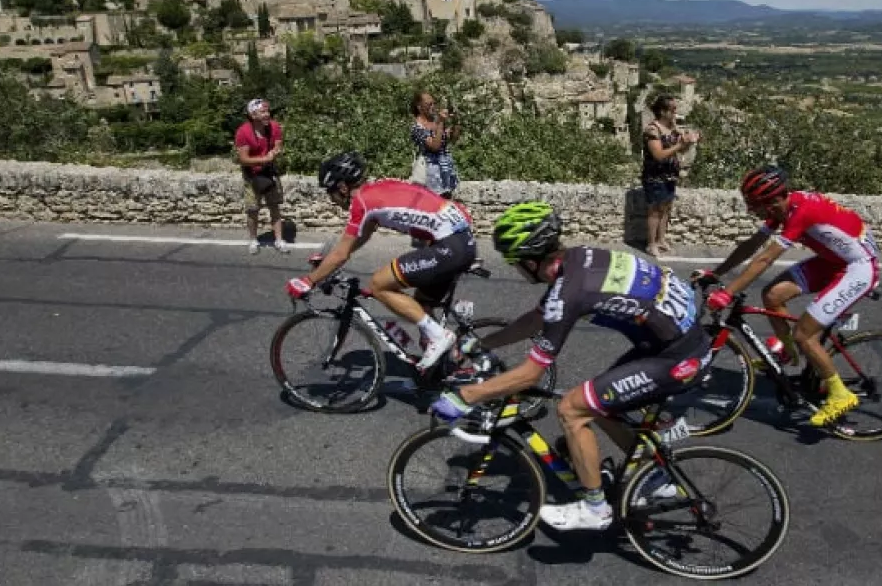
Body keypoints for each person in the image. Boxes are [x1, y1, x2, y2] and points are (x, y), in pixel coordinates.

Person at [429, 202, 711, 532]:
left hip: (675, 356)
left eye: (517, 264)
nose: (517, 271)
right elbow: (536, 319)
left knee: (572, 409)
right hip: (673, 342)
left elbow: (531, 373)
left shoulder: (570, 291)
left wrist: (467, 395)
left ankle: (595, 510)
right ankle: (654, 477)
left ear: (532, 261)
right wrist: (481, 344)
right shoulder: (578, 259)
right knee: (601, 402)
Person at [693, 166, 879, 428]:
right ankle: (788, 353)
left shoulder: (801, 212)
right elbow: (752, 245)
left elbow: (766, 258)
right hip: (832, 261)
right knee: (772, 294)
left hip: (858, 268)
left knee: (806, 334)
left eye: (754, 205)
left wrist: (727, 293)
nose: (751, 210)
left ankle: (840, 393)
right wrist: (716, 273)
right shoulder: (783, 208)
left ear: (773, 201)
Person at [285, 151, 475, 371]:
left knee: (378, 284)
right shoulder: (377, 190)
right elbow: (359, 237)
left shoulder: (361, 202)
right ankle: (449, 363)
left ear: (343, 187)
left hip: (449, 246)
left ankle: (439, 336)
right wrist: (328, 263)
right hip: (460, 240)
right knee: (421, 304)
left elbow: (341, 254)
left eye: (331, 192)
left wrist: (308, 281)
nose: (331, 199)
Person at [641, 94, 698, 258]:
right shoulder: (652, 130)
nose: (675, 112)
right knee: (654, 211)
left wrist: (688, 143)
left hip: (670, 175)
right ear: (662, 111)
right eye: (672, 109)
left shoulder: (673, 128)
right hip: (655, 176)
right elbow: (658, 154)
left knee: (665, 209)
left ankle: (661, 240)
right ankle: (651, 244)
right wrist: (680, 144)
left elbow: (680, 151)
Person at [235, 98, 290, 254]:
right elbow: (243, 159)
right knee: (253, 209)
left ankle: (279, 240)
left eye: (268, 111)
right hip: (252, 174)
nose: (267, 114)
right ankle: (253, 239)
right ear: (253, 115)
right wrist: (264, 159)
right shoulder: (243, 132)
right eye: (263, 112)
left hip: (269, 171)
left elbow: (278, 145)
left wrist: (275, 152)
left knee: (274, 206)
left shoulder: (274, 127)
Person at [410, 91, 461, 199]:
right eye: (429, 104)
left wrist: (456, 121)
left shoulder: (435, 122)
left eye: (434, 103)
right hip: (430, 175)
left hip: (445, 171)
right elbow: (434, 146)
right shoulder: (417, 127)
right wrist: (441, 122)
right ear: (419, 107)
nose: (433, 107)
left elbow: (453, 139)